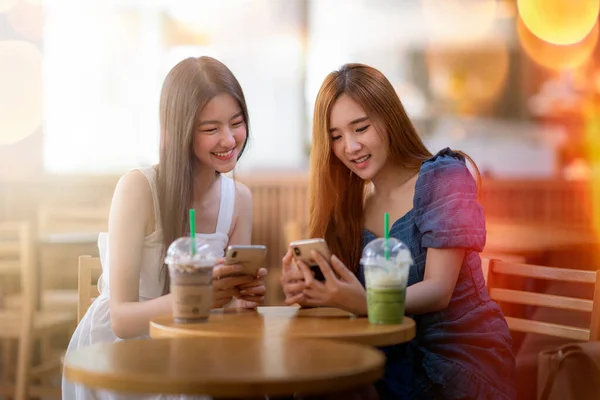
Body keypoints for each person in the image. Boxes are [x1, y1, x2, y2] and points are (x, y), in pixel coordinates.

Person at [280, 63, 516, 399]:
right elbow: (346, 301)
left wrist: (363, 303)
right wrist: (310, 289)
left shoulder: (444, 176)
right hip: (388, 351)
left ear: (389, 118)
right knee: (300, 378)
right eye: (335, 137)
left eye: (360, 128)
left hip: (456, 360)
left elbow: (439, 290)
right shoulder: (353, 207)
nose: (350, 146)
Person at [63, 56, 267, 399]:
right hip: (124, 355)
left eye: (236, 122)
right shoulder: (138, 189)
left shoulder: (240, 199)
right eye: (210, 129)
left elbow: (223, 309)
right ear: (180, 130)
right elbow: (122, 322)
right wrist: (197, 299)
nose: (229, 139)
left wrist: (238, 300)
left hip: (194, 343)